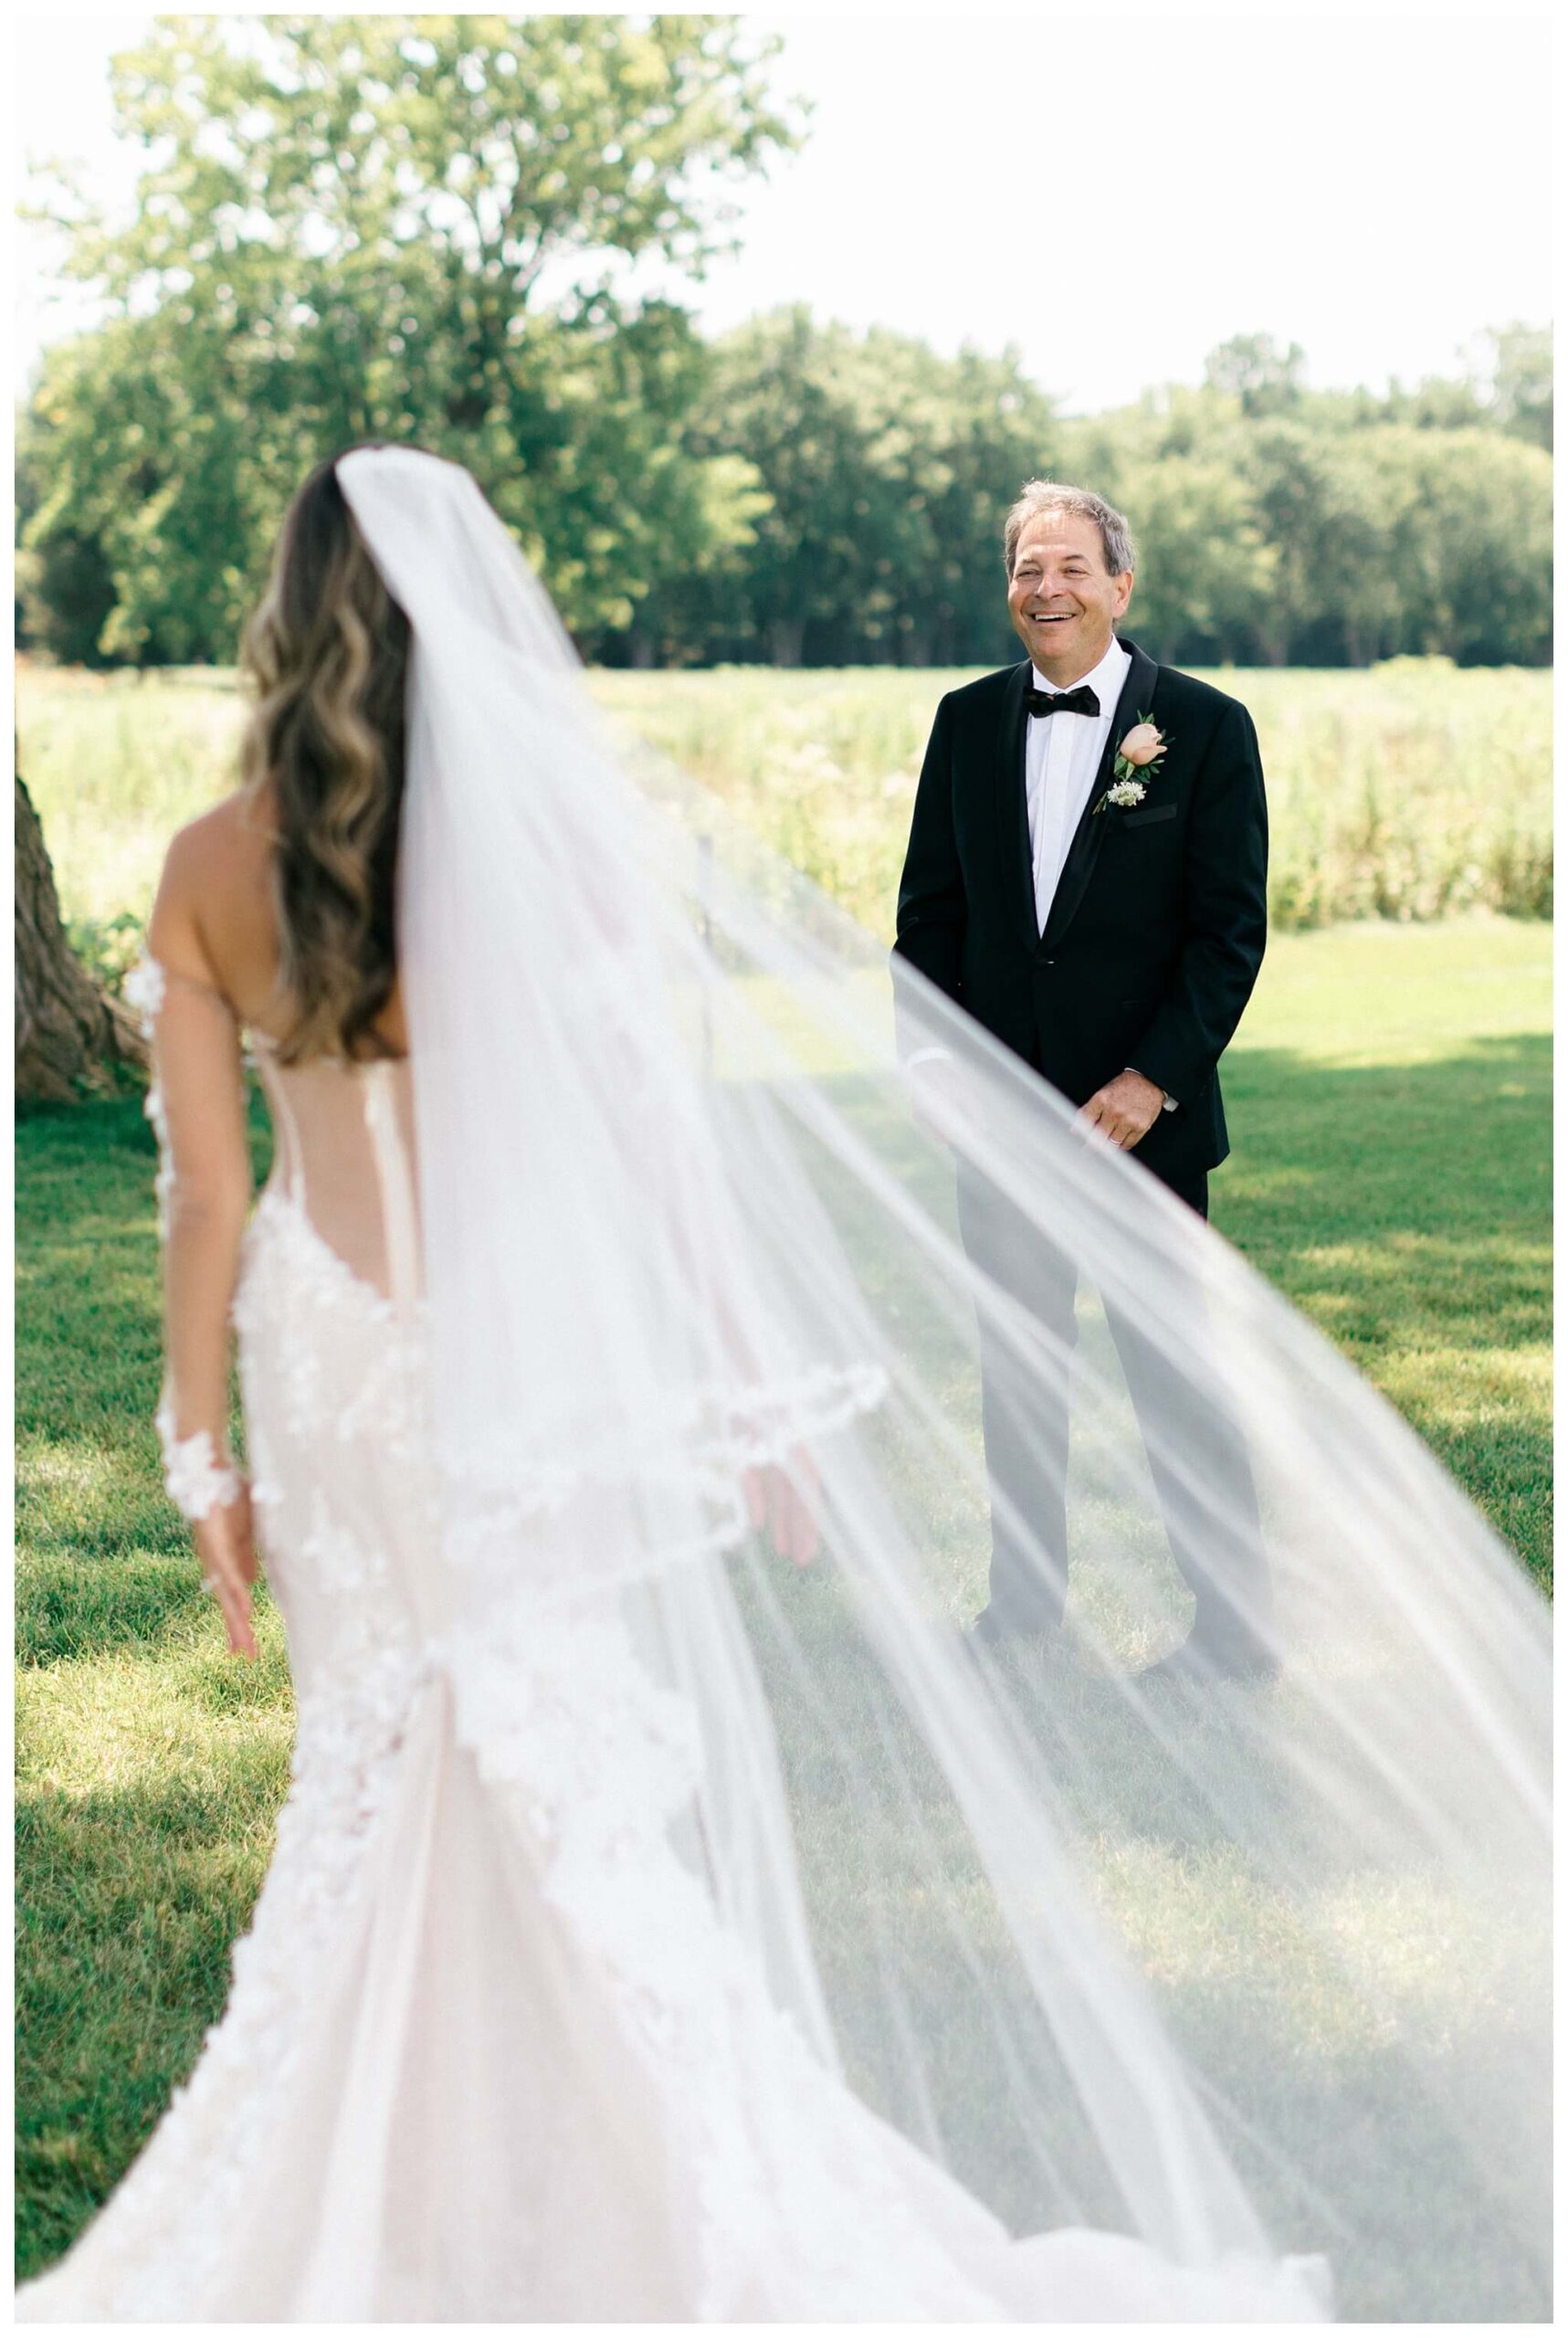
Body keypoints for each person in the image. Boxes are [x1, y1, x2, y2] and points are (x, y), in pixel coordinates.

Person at [17, 448, 1548, 2322]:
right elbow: (652, 1137)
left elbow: (208, 1196)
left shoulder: (204, 867)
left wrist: (197, 1457)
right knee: (535, 1746)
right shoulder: (542, 848)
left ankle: (434, 2168)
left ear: (291, 610)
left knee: (380, 1751)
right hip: (508, 1353)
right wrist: (748, 1395)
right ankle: (587, 2153)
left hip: (325, 1364)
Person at [895, 482, 1274, 1672]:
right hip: (998, 1124)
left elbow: (1227, 934)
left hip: (1139, 1130)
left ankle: (1234, 1629)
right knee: (1016, 1373)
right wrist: (929, 1060)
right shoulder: (962, 723)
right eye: (1024, 567)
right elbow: (928, 923)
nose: (1044, 588)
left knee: (1174, 1379)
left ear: (1120, 584)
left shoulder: (1204, 729)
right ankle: (1021, 1606)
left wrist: (1148, 1081)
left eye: (1068, 566)